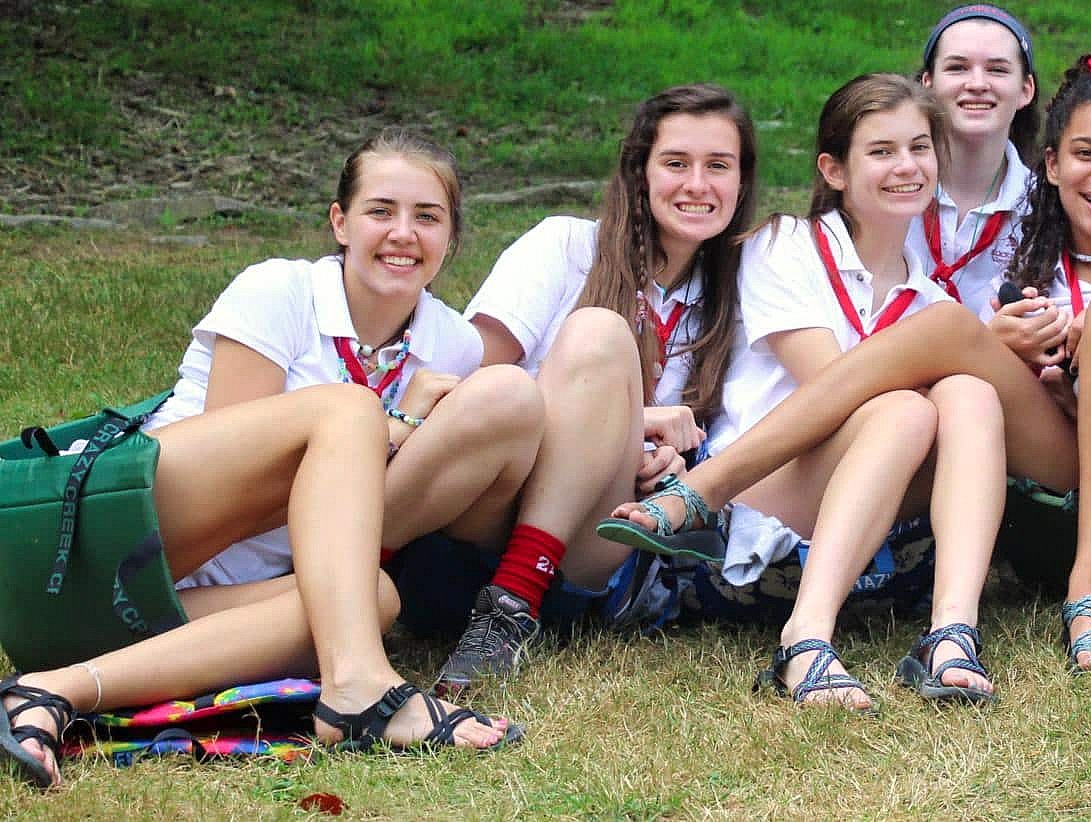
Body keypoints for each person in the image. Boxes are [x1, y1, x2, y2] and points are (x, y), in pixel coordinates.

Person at [604, 51, 1091, 678]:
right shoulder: (1021, 274)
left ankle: (1087, 592)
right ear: (1047, 165)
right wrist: (1029, 366)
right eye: (1085, 153)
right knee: (960, 369)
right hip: (1059, 477)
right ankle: (951, 633)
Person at [2, 129, 527, 790]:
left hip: (163, 607)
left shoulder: (449, 341)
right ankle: (360, 685)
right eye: (380, 211)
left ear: (451, 238)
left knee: (372, 597)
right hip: (115, 538)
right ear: (340, 222)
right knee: (346, 410)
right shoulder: (279, 290)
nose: (403, 233)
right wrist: (395, 424)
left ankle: (51, 690)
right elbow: (243, 474)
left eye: (427, 217)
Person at [604, 74, 1009, 709]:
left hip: (872, 503)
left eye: (920, 147)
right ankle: (806, 639)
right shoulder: (785, 244)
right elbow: (835, 388)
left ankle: (951, 632)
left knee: (972, 396)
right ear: (835, 169)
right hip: (761, 494)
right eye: (881, 151)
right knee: (903, 408)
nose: (906, 166)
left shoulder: (930, 299)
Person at [422, 84, 755, 693]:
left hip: (595, 541)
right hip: (487, 513)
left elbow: (735, 435)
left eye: (719, 166)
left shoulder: (737, 295)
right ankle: (506, 600)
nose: (698, 185)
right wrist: (625, 418)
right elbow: (466, 388)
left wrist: (670, 461)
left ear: (741, 181)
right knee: (597, 334)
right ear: (639, 172)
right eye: (676, 163)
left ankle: (511, 609)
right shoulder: (565, 246)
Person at [911, 3, 1038, 317]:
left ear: (1025, 89)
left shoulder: (1046, 205)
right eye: (957, 67)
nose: (978, 84)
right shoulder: (888, 187)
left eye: (997, 69)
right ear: (928, 84)